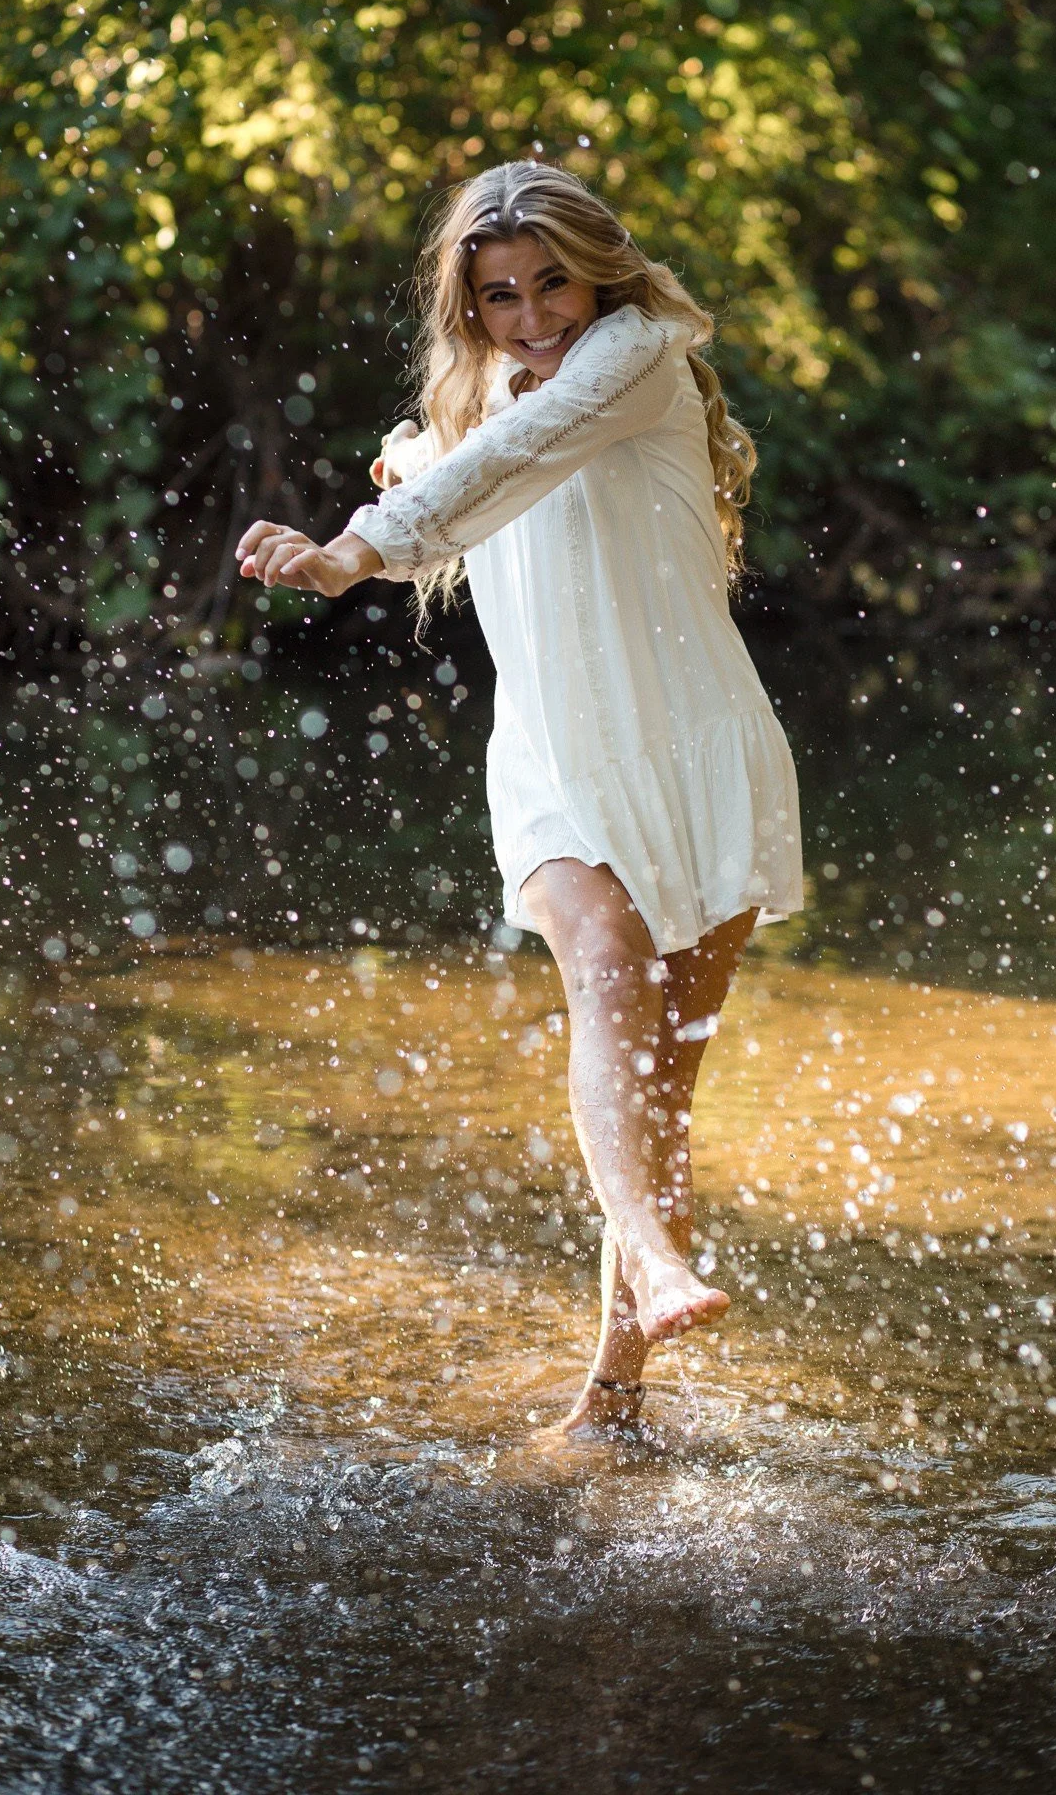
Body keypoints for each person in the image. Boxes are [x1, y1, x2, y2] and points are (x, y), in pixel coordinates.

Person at [235, 161, 802, 1441]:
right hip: (557, 761)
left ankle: (609, 1398)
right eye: (502, 293)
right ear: (471, 306)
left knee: (664, 1091)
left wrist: (356, 545)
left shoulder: (642, 352)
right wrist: (401, 491)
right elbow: (468, 483)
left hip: (702, 753)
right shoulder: (473, 403)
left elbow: (513, 455)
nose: (536, 312)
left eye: (554, 279)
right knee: (609, 974)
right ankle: (656, 1267)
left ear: (600, 269)